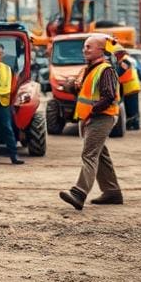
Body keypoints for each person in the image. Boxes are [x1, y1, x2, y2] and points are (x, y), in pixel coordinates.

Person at [59, 34, 123, 210]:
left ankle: (78, 193)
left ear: (101, 50)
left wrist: (91, 113)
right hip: (93, 117)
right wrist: (70, 86)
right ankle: (112, 192)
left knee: (89, 154)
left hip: (101, 117)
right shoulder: (89, 69)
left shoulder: (105, 70)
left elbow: (109, 96)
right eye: (84, 46)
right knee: (100, 154)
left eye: (89, 47)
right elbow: (83, 91)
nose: (84, 49)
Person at [113, 45, 141, 131]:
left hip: (130, 87)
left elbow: (119, 72)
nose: (115, 56)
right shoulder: (126, 59)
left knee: (132, 108)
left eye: (115, 54)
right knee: (132, 107)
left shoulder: (126, 61)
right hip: (130, 86)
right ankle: (133, 124)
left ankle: (134, 124)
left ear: (119, 53)